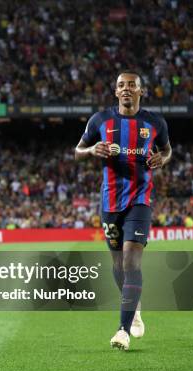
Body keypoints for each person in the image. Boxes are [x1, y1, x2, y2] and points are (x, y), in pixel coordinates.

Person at [75, 70, 172, 351]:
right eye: (121, 85)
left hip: (140, 200)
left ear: (141, 91)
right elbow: (77, 150)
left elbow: (167, 150)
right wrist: (92, 149)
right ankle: (135, 309)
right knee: (118, 264)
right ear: (115, 92)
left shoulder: (154, 122)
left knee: (131, 261)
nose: (126, 89)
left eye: (132, 85)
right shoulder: (100, 120)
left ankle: (123, 330)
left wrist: (162, 159)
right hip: (110, 203)